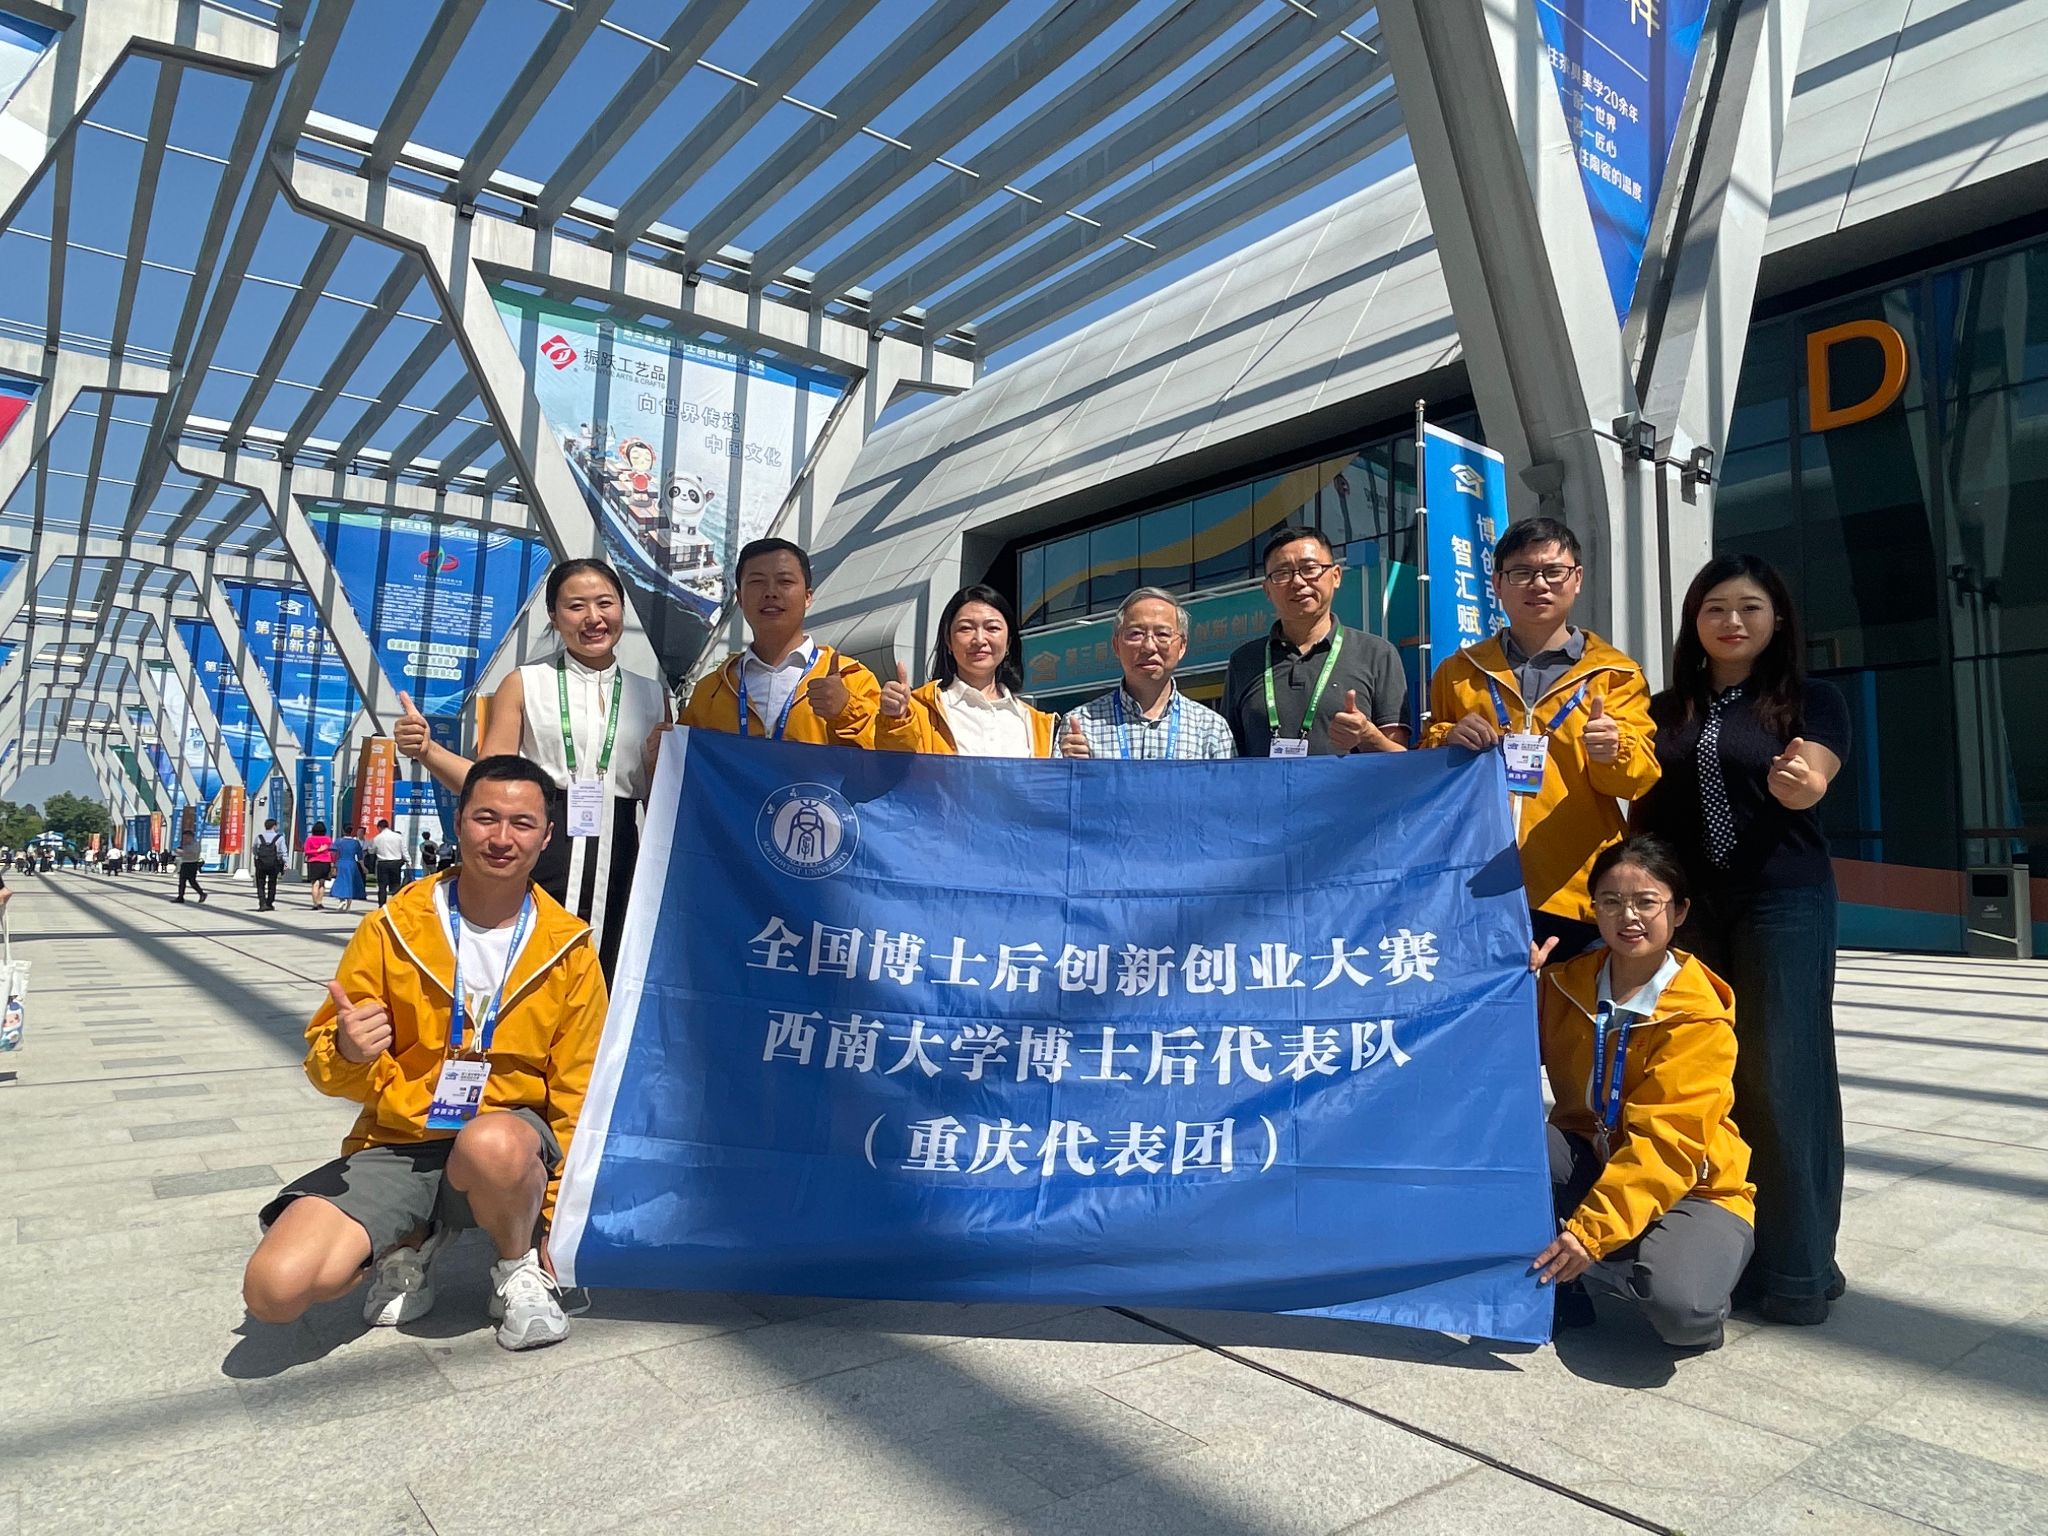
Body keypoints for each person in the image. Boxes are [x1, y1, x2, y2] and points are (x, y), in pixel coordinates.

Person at [241, 755, 606, 1352]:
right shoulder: (392, 929)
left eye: (522, 823)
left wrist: (556, 1217)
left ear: (546, 837)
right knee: (275, 1290)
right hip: (402, 1142)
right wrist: (349, 1053)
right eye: (486, 818)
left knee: (492, 1143)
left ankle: (515, 1266)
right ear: (458, 822)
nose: (502, 837)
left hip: (507, 1143)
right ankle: (410, 1239)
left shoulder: (568, 947)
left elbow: (578, 1087)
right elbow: (327, 1071)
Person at [1633, 553, 1851, 1326]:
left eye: (1749, 607)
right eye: (1716, 608)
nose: (1732, 621)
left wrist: (1803, 783)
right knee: (1706, 1076)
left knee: (1782, 1074)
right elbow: (1642, 807)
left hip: (1782, 902)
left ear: (1777, 618)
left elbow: (1814, 773)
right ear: (1694, 622)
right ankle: (1723, 1249)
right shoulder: (1663, 711)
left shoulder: (1810, 701)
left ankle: (1799, 1268)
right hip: (1694, 912)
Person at [1531, 836, 1756, 1351]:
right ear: (1593, 909)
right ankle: (1576, 1278)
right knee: (1522, 1144)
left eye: (1646, 902)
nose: (1628, 916)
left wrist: (1592, 1233)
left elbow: (1667, 1143)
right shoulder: (1564, 984)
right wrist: (1510, 985)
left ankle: (1679, 1257)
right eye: (1611, 901)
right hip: (1591, 1157)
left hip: (1692, 1186)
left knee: (1682, 1312)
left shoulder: (1699, 1016)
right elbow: (1496, 1058)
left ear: (1679, 912)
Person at [397, 558, 670, 981]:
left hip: (622, 854)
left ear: (621, 609)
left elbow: (659, 797)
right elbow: (487, 782)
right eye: (576, 606)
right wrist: (428, 750)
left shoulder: (651, 694)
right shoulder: (525, 682)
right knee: (531, 966)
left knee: (610, 972)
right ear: (554, 617)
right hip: (543, 842)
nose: (593, 618)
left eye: (605, 603)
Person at [1424, 516, 1660, 960]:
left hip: (1576, 888)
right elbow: (1426, 772)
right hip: (1473, 883)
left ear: (1577, 579)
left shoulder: (1616, 674)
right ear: (1497, 583)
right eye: (1521, 572)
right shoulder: (1457, 672)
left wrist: (1612, 752)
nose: (1539, 584)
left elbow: (1636, 782)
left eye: (1554, 571)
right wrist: (1447, 738)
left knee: (1572, 1004)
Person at [1222, 526, 1409, 759]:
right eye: (1282, 573)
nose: (1298, 582)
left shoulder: (1377, 654)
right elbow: (1228, 757)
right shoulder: (1244, 660)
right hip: (1267, 785)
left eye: (1310, 569)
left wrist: (1367, 736)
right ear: (1267, 589)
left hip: (1348, 785)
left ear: (1336, 576)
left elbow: (1401, 760)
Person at [679, 538, 879, 750]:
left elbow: (886, 759)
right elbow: (684, 761)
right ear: (740, 598)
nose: (771, 592)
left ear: (807, 597)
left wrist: (846, 710)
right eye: (757, 582)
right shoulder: (710, 691)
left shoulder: (852, 680)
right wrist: (662, 746)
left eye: (785, 581)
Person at [876, 585, 1056, 757]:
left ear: (1008, 642)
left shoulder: (1037, 724)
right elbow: (894, 767)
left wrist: (1070, 759)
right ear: (948, 641)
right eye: (966, 628)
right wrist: (895, 720)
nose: (980, 640)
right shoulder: (918, 710)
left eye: (992, 628)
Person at [1058, 588, 1236, 760]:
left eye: (1162, 634)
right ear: (1116, 646)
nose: (1149, 646)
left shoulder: (1211, 728)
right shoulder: (1081, 725)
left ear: (1182, 646)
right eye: (1136, 634)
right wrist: (1070, 768)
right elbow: (1057, 781)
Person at [252, 818, 288, 911]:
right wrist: (285, 863)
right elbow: (283, 852)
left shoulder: (259, 837)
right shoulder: (279, 838)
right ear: (274, 826)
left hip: (261, 864)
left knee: (260, 883)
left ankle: (262, 903)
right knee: (272, 883)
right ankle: (270, 902)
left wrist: (257, 857)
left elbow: (255, 850)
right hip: (274, 864)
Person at [369, 819, 407, 906]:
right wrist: (408, 860)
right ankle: (396, 904)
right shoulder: (398, 836)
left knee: (382, 886)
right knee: (396, 885)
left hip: (383, 863)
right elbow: (404, 849)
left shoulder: (377, 838)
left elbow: (372, 851)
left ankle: (382, 905)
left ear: (379, 827)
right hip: (396, 862)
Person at [329, 826, 366, 913]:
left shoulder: (339, 841)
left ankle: (342, 900)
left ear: (343, 831)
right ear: (351, 832)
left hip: (341, 863)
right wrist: (363, 867)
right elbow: (360, 857)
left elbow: (333, 853)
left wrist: (333, 864)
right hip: (352, 864)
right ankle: (348, 906)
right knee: (350, 883)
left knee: (341, 882)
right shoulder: (355, 842)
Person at [303, 821, 335, 911]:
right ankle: (320, 902)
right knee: (322, 883)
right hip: (325, 862)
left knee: (315, 883)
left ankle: (315, 903)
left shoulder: (309, 839)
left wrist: (317, 851)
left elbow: (306, 851)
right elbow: (331, 851)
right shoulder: (328, 839)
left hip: (313, 862)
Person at [174, 826, 207, 904]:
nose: (184, 839)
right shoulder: (185, 845)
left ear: (190, 837)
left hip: (192, 864)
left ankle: (202, 893)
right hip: (184, 864)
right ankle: (180, 897)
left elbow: (193, 854)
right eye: (183, 838)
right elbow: (182, 853)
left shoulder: (196, 844)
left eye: (186, 838)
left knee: (192, 882)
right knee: (182, 882)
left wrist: (182, 852)